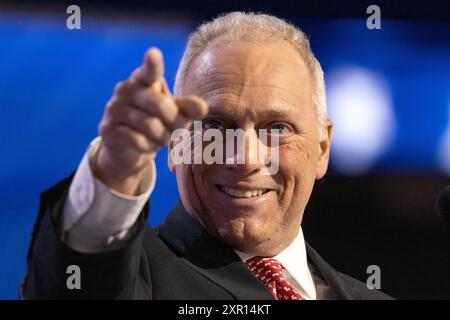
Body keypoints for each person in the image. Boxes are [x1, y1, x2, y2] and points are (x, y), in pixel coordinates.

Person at [21, 12, 392, 300]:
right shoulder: (133, 280)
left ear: (322, 149)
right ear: (174, 144)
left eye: (277, 128)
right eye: (215, 125)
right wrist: (114, 171)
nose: (245, 158)